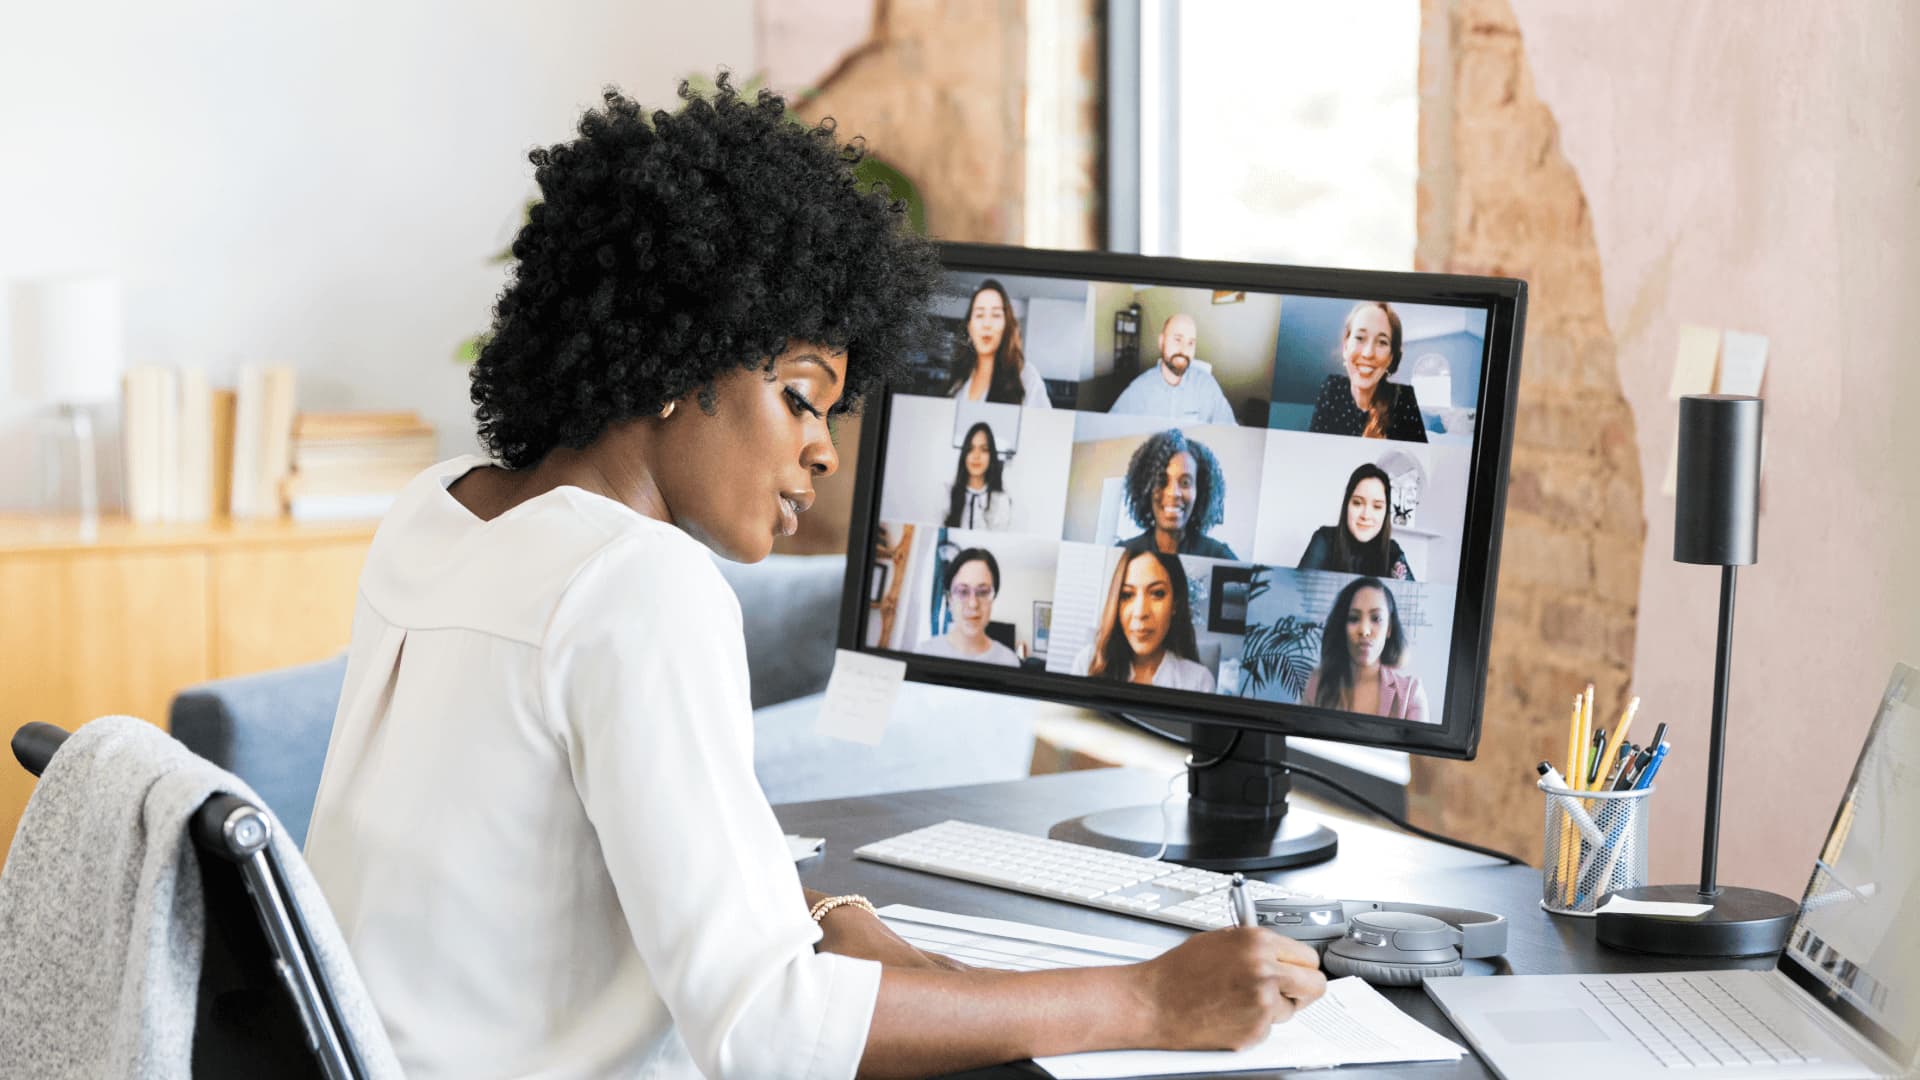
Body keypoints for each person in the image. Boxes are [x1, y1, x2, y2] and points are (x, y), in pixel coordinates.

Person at [302, 78, 1322, 1079]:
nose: (826, 452)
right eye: (800, 398)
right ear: (674, 361)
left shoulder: (439, 509)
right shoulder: (635, 581)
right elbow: (771, 1038)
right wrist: (1147, 997)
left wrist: (822, 916)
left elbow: (547, 854)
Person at [1070, 549, 1216, 691]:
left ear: (1175, 604)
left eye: (1157, 593)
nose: (1140, 613)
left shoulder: (1200, 682)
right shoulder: (1087, 663)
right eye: (1127, 595)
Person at [1303, 577, 1429, 722]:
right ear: (1342, 626)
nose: (1364, 630)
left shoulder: (1411, 694)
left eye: (1376, 619)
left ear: (1389, 629)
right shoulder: (1317, 683)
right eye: (1353, 618)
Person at [1307, 301, 1428, 442]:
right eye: (1360, 338)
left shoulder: (1404, 399)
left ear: (1391, 358)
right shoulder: (1332, 388)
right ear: (1345, 347)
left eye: (1382, 342)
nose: (1368, 353)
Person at [1115, 428, 1238, 559]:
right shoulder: (1123, 553)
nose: (1173, 493)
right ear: (1146, 488)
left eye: (1185, 483)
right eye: (1162, 481)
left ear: (1200, 491)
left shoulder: (1219, 556)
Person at [1107, 312, 1236, 424]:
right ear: (1161, 342)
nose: (1184, 350)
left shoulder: (1207, 386)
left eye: (1190, 343)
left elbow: (1230, 431)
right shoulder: (1140, 389)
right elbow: (1110, 428)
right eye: (1177, 339)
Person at [1297, 463, 1415, 580]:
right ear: (1346, 505)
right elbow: (1296, 591)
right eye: (1357, 503)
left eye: (1377, 506)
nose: (1366, 515)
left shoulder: (1392, 551)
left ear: (1386, 513)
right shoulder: (1325, 540)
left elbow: (1412, 596)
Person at [950, 278, 1053, 408]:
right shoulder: (961, 376)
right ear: (970, 327)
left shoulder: (1026, 376)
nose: (987, 325)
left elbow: (1043, 425)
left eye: (996, 315)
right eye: (980, 315)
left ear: (1006, 326)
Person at [916, 547, 1021, 665]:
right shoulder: (924, 653)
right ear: (950, 599)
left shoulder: (1009, 661)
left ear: (993, 598)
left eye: (982, 592)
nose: (973, 604)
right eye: (963, 592)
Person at [944, 421, 1012, 530]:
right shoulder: (947, 493)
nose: (976, 456)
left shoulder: (1001, 500)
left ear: (991, 456)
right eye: (970, 449)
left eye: (983, 449)